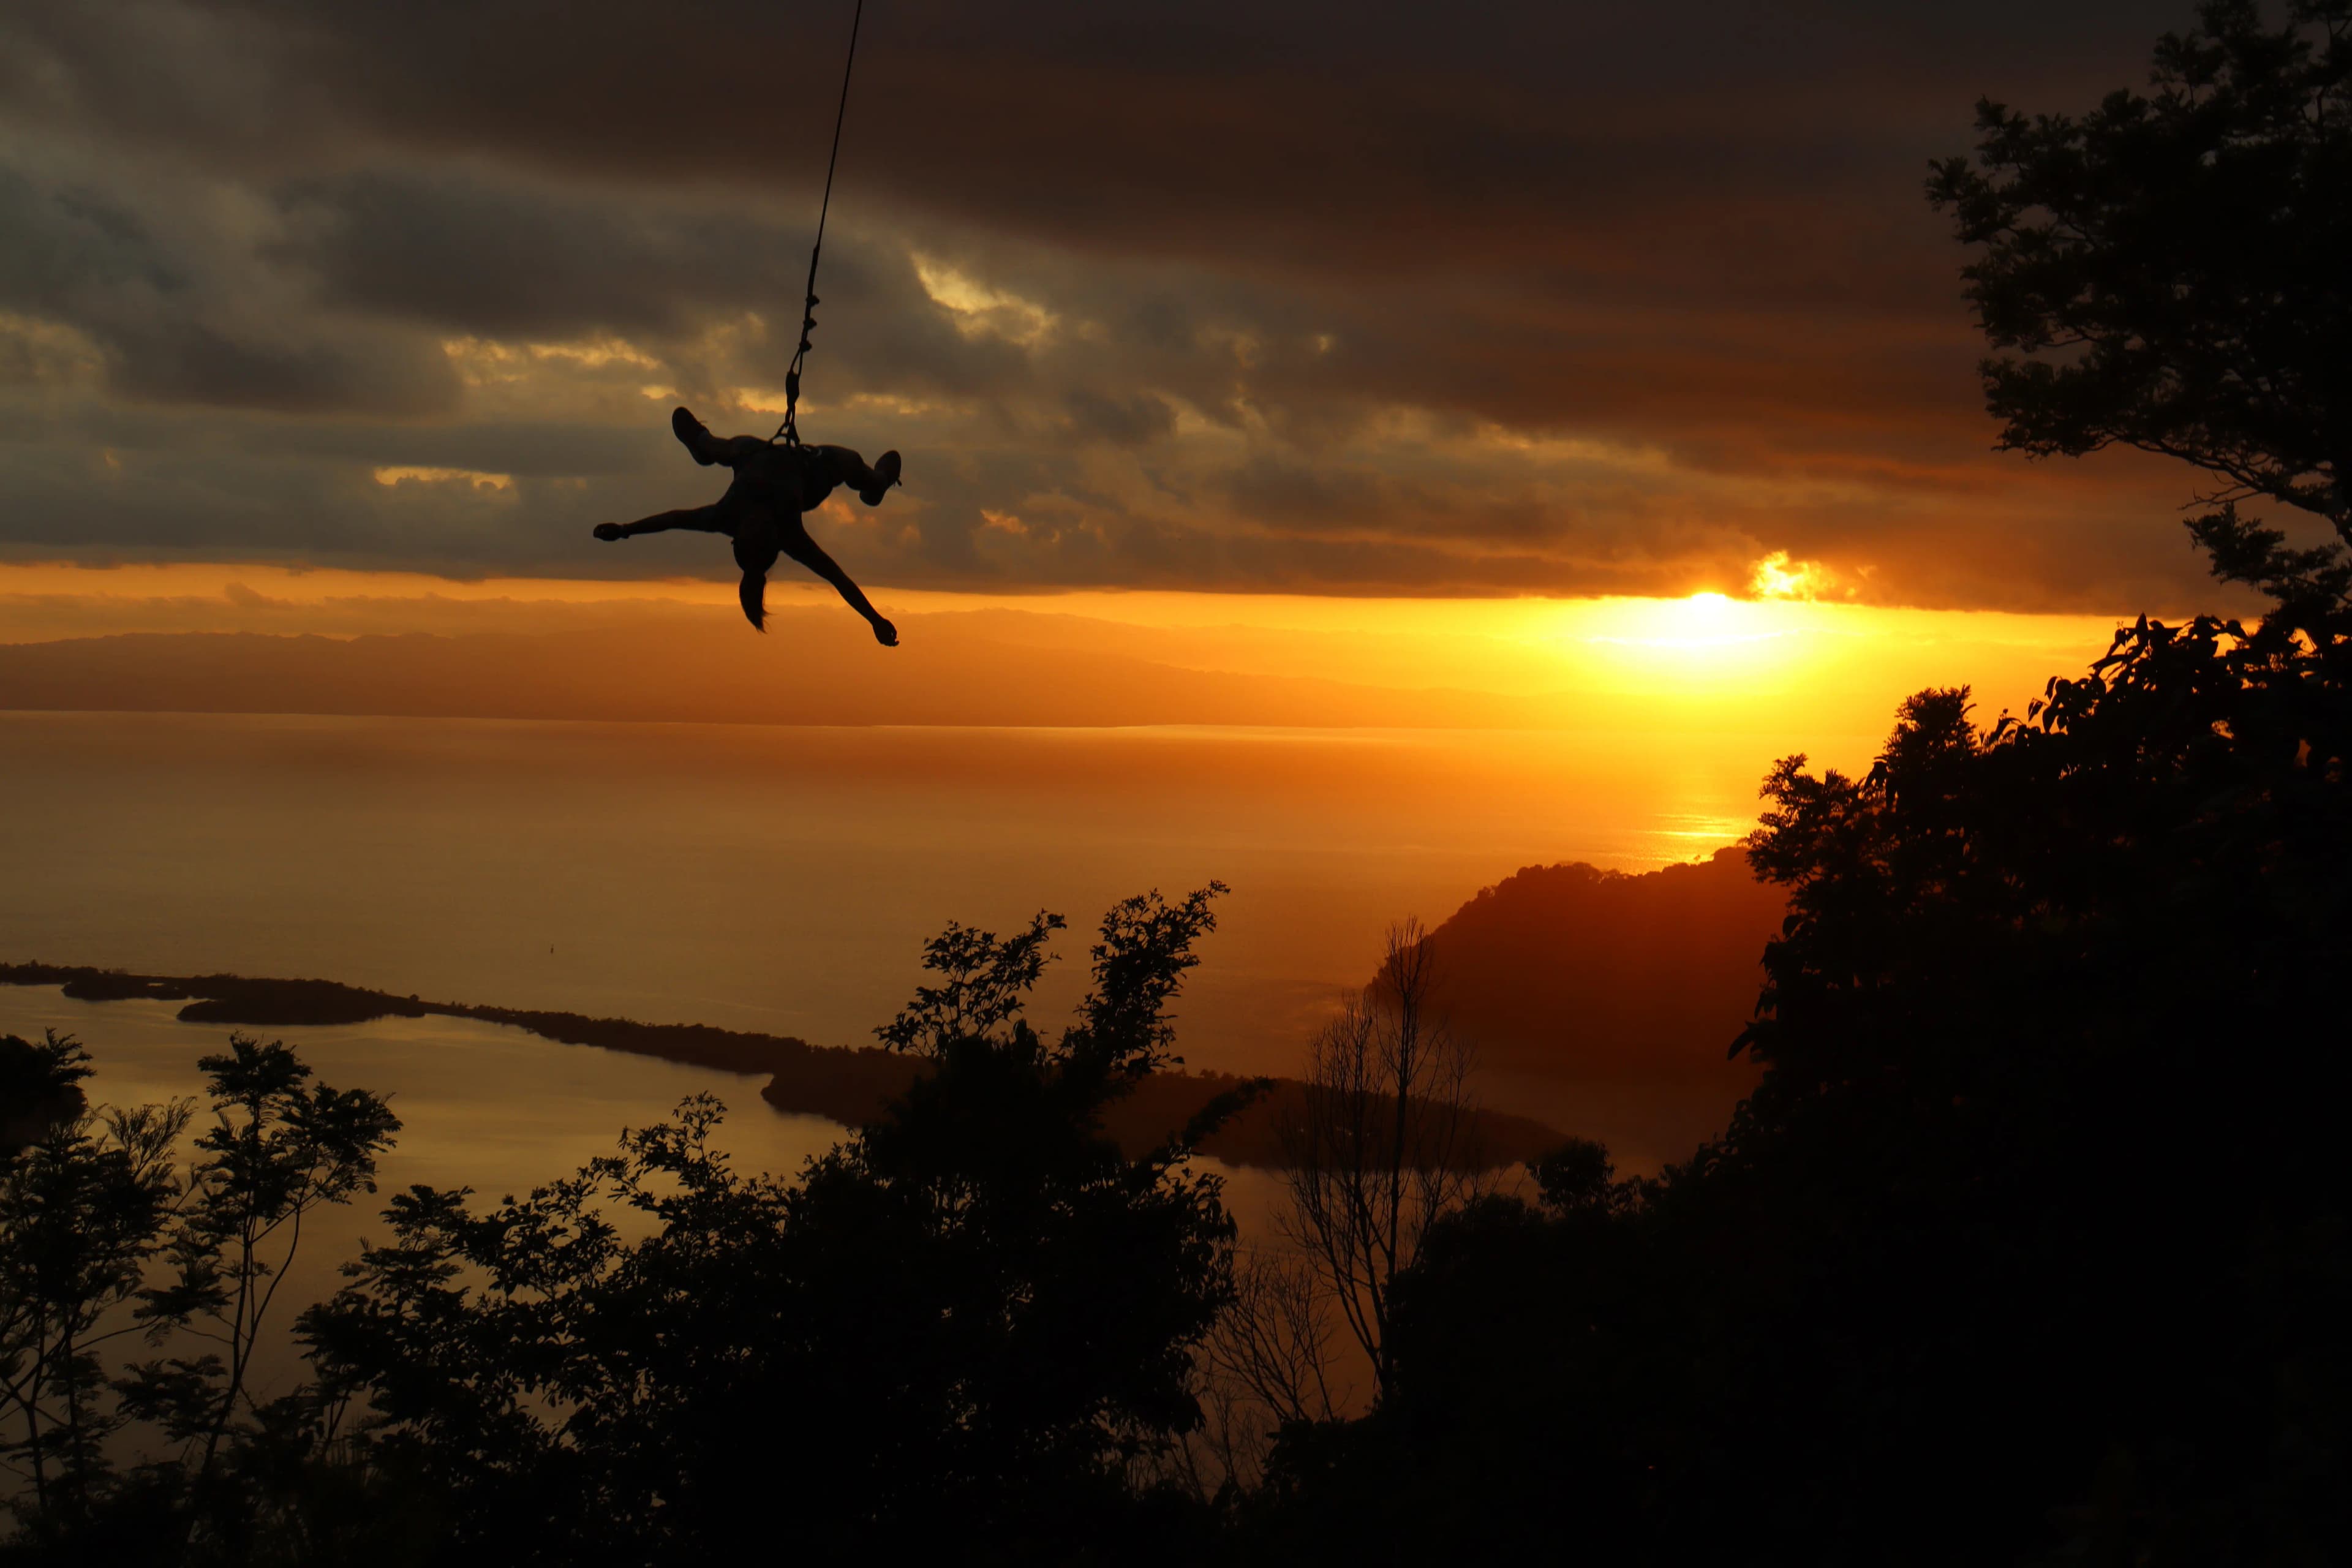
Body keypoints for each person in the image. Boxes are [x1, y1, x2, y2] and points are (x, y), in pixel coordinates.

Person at [594, 407, 903, 641]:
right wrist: (874, 620)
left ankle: (702, 445)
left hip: (756, 455)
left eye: (753, 525)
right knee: (856, 466)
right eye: (765, 526)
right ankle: (879, 483)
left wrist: (626, 530)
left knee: (730, 449)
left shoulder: (725, 516)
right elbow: (838, 578)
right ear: (773, 539)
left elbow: (673, 520)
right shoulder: (789, 535)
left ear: (737, 536)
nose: (760, 517)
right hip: (816, 467)